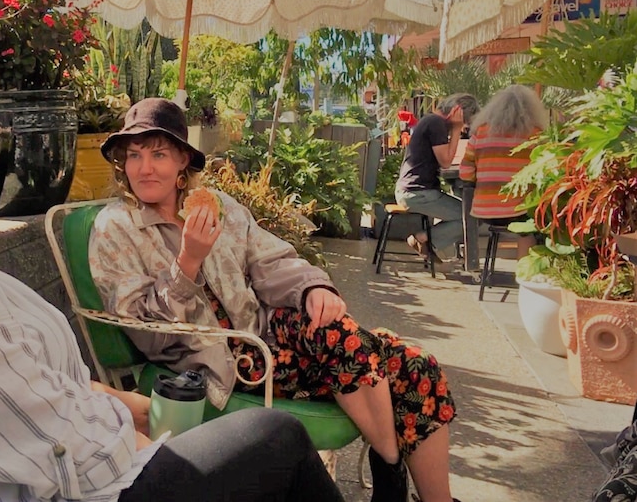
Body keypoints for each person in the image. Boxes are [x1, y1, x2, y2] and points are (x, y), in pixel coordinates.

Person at [0, 29, 346, 502]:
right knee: (276, 436)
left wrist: (125, 403)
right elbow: (39, 433)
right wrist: (141, 435)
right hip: (73, 477)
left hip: (106, 409)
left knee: (343, 363)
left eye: (161, 153)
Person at [89, 97, 462, 502]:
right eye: (135, 156)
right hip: (225, 362)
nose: (145, 168)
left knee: (411, 363)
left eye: (158, 154)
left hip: (265, 334)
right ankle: (390, 479)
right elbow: (145, 331)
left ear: (182, 161)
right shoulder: (116, 229)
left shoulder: (220, 207)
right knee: (362, 348)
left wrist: (313, 288)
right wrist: (187, 263)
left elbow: (271, 261)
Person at [459, 84, 548, 259]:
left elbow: (465, 173)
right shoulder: (536, 135)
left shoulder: (481, 133)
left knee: (525, 225)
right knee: (528, 230)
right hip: (521, 210)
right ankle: (525, 275)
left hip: (486, 212)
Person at [395, 94, 480, 262]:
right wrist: (455, 129)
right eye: (465, 122)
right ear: (458, 112)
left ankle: (429, 243)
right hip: (418, 193)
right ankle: (423, 239)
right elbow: (446, 162)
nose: (464, 127)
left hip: (414, 190)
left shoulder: (431, 121)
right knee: (472, 215)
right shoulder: (436, 124)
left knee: (468, 213)